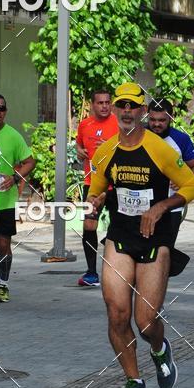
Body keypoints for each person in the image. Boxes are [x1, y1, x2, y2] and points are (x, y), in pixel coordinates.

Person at [87, 82, 194, 388]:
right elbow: (97, 187)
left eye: (131, 106)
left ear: (141, 112)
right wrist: (95, 202)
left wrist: (161, 206)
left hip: (155, 237)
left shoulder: (160, 148)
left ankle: (159, 348)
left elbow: (192, 186)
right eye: (120, 105)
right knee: (116, 314)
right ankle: (134, 381)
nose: (125, 111)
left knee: (146, 321)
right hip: (120, 236)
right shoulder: (106, 150)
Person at [0, 94, 35, 303]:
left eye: (2, 108)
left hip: (4, 201)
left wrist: (14, 178)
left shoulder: (13, 136)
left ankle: (2, 284)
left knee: (3, 244)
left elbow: (30, 162)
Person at [75, 89, 119, 286]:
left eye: (107, 102)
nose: (104, 106)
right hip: (91, 184)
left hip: (116, 184)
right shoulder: (85, 125)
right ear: (92, 105)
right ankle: (91, 273)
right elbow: (79, 146)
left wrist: (110, 147)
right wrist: (80, 152)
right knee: (88, 226)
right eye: (100, 103)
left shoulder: (119, 123)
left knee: (119, 226)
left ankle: (118, 267)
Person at [147, 97, 194, 244]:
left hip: (171, 206)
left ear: (170, 119)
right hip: (141, 206)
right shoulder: (137, 136)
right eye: (152, 120)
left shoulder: (181, 139)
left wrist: (184, 181)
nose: (156, 124)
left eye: (162, 120)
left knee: (165, 250)